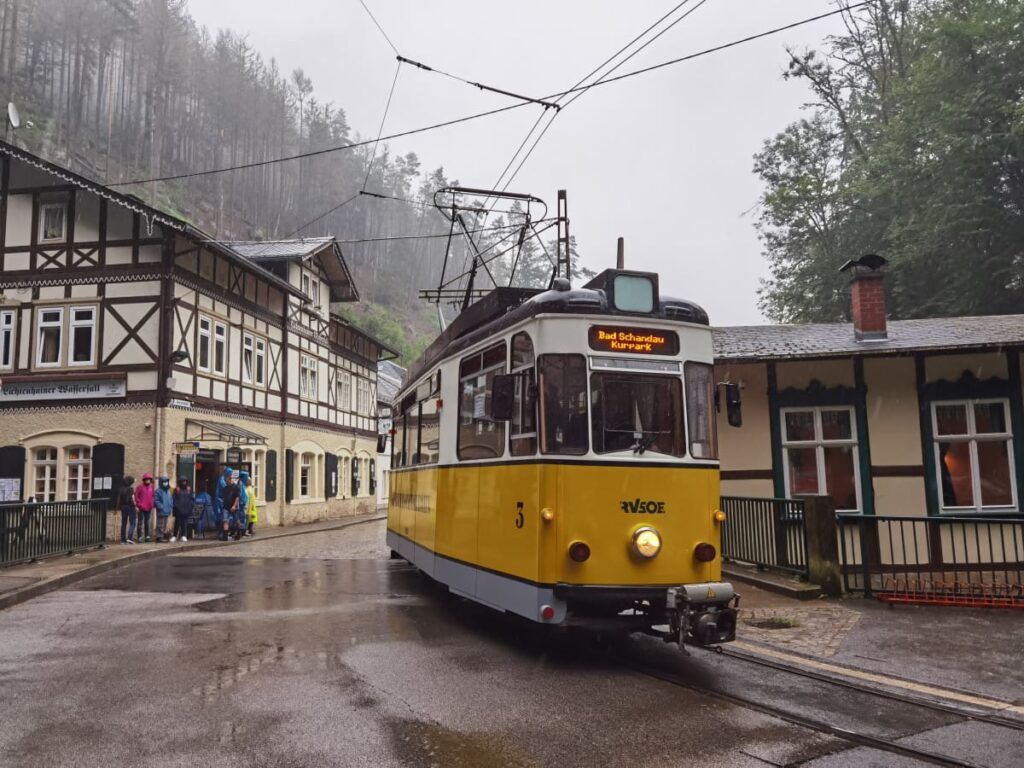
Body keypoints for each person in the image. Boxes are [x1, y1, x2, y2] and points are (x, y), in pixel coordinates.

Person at [133, 472, 155, 543]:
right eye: (146, 479)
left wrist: (152, 504)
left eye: (149, 480)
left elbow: (153, 497)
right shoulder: (139, 487)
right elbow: (136, 496)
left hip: (148, 508)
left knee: (147, 522)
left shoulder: (151, 487)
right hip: (141, 508)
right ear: (144, 480)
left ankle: (147, 536)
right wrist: (139, 504)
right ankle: (139, 536)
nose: (148, 481)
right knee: (140, 522)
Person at [219, 473, 241, 542]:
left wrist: (234, 506)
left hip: (234, 507)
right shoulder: (225, 488)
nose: (227, 482)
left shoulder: (236, 487)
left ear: (231, 480)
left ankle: (239, 533)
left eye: (227, 481)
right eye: (226, 481)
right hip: (226, 506)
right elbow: (224, 497)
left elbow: (237, 498)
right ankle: (225, 536)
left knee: (236, 520)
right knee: (225, 520)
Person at [171, 477, 193, 543]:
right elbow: (174, 498)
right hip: (178, 510)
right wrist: (176, 506)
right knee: (177, 523)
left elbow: (191, 499)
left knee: (184, 523)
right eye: (182, 481)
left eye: (185, 481)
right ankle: (174, 536)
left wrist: (190, 506)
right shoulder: (177, 490)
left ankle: (184, 535)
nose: (183, 483)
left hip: (186, 509)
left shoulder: (189, 490)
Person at [117, 475, 136, 544]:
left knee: (124, 523)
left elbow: (118, 499)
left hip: (123, 507)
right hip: (130, 507)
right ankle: (129, 538)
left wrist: (117, 508)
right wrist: (134, 505)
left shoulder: (121, 489)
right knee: (132, 523)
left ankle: (123, 540)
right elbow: (131, 499)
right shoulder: (131, 489)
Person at [154, 476, 173, 542]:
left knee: (164, 524)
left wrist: (170, 507)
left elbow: (170, 500)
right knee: (160, 524)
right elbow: (156, 500)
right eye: (164, 482)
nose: (166, 483)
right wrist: (160, 506)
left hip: (167, 510)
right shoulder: (158, 491)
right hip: (161, 510)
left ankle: (163, 536)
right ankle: (159, 537)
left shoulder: (168, 491)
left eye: (166, 482)